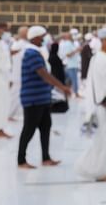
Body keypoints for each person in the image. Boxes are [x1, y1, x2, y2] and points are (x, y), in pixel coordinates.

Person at [17, 26, 71, 170]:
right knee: (29, 129)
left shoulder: (36, 52)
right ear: (35, 38)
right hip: (33, 98)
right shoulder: (31, 53)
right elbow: (43, 74)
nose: (44, 39)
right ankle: (21, 160)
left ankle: (46, 158)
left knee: (45, 127)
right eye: (42, 37)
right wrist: (62, 87)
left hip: (42, 97)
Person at [76, 27, 106, 182]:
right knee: (104, 142)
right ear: (104, 41)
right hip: (105, 106)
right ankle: (98, 171)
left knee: (101, 141)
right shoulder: (103, 59)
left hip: (99, 105)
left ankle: (93, 169)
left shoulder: (98, 58)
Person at [60, 29, 82, 93]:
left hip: (73, 64)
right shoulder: (67, 44)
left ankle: (72, 92)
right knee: (72, 80)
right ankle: (73, 93)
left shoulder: (71, 43)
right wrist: (77, 50)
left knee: (71, 79)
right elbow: (68, 55)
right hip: (70, 64)